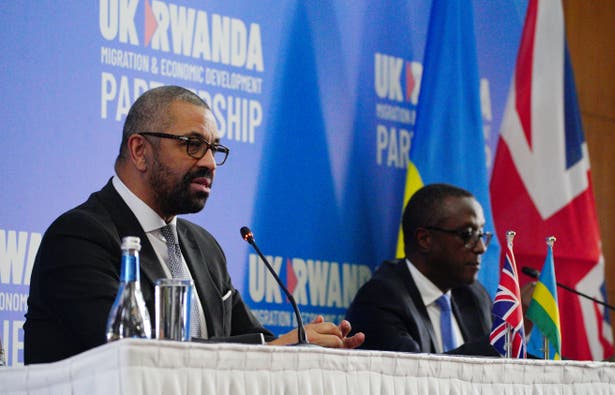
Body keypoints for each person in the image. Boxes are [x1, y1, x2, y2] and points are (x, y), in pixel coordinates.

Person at [24, 85, 364, 364]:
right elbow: (132, 356)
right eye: (193, 145)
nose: (210, 163)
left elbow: (257, 341)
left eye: (215, 149)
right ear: (140, 150)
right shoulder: (80, 237)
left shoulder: (203, 247)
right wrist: (273, 347)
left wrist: (307, 349)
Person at [345, 183, 498, 356]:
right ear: (424, 239)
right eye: (467, 234)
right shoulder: (380, 299)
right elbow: (412, 375)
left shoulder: (473, 295)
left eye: (481, 234)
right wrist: (498, 343)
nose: (480, 248)